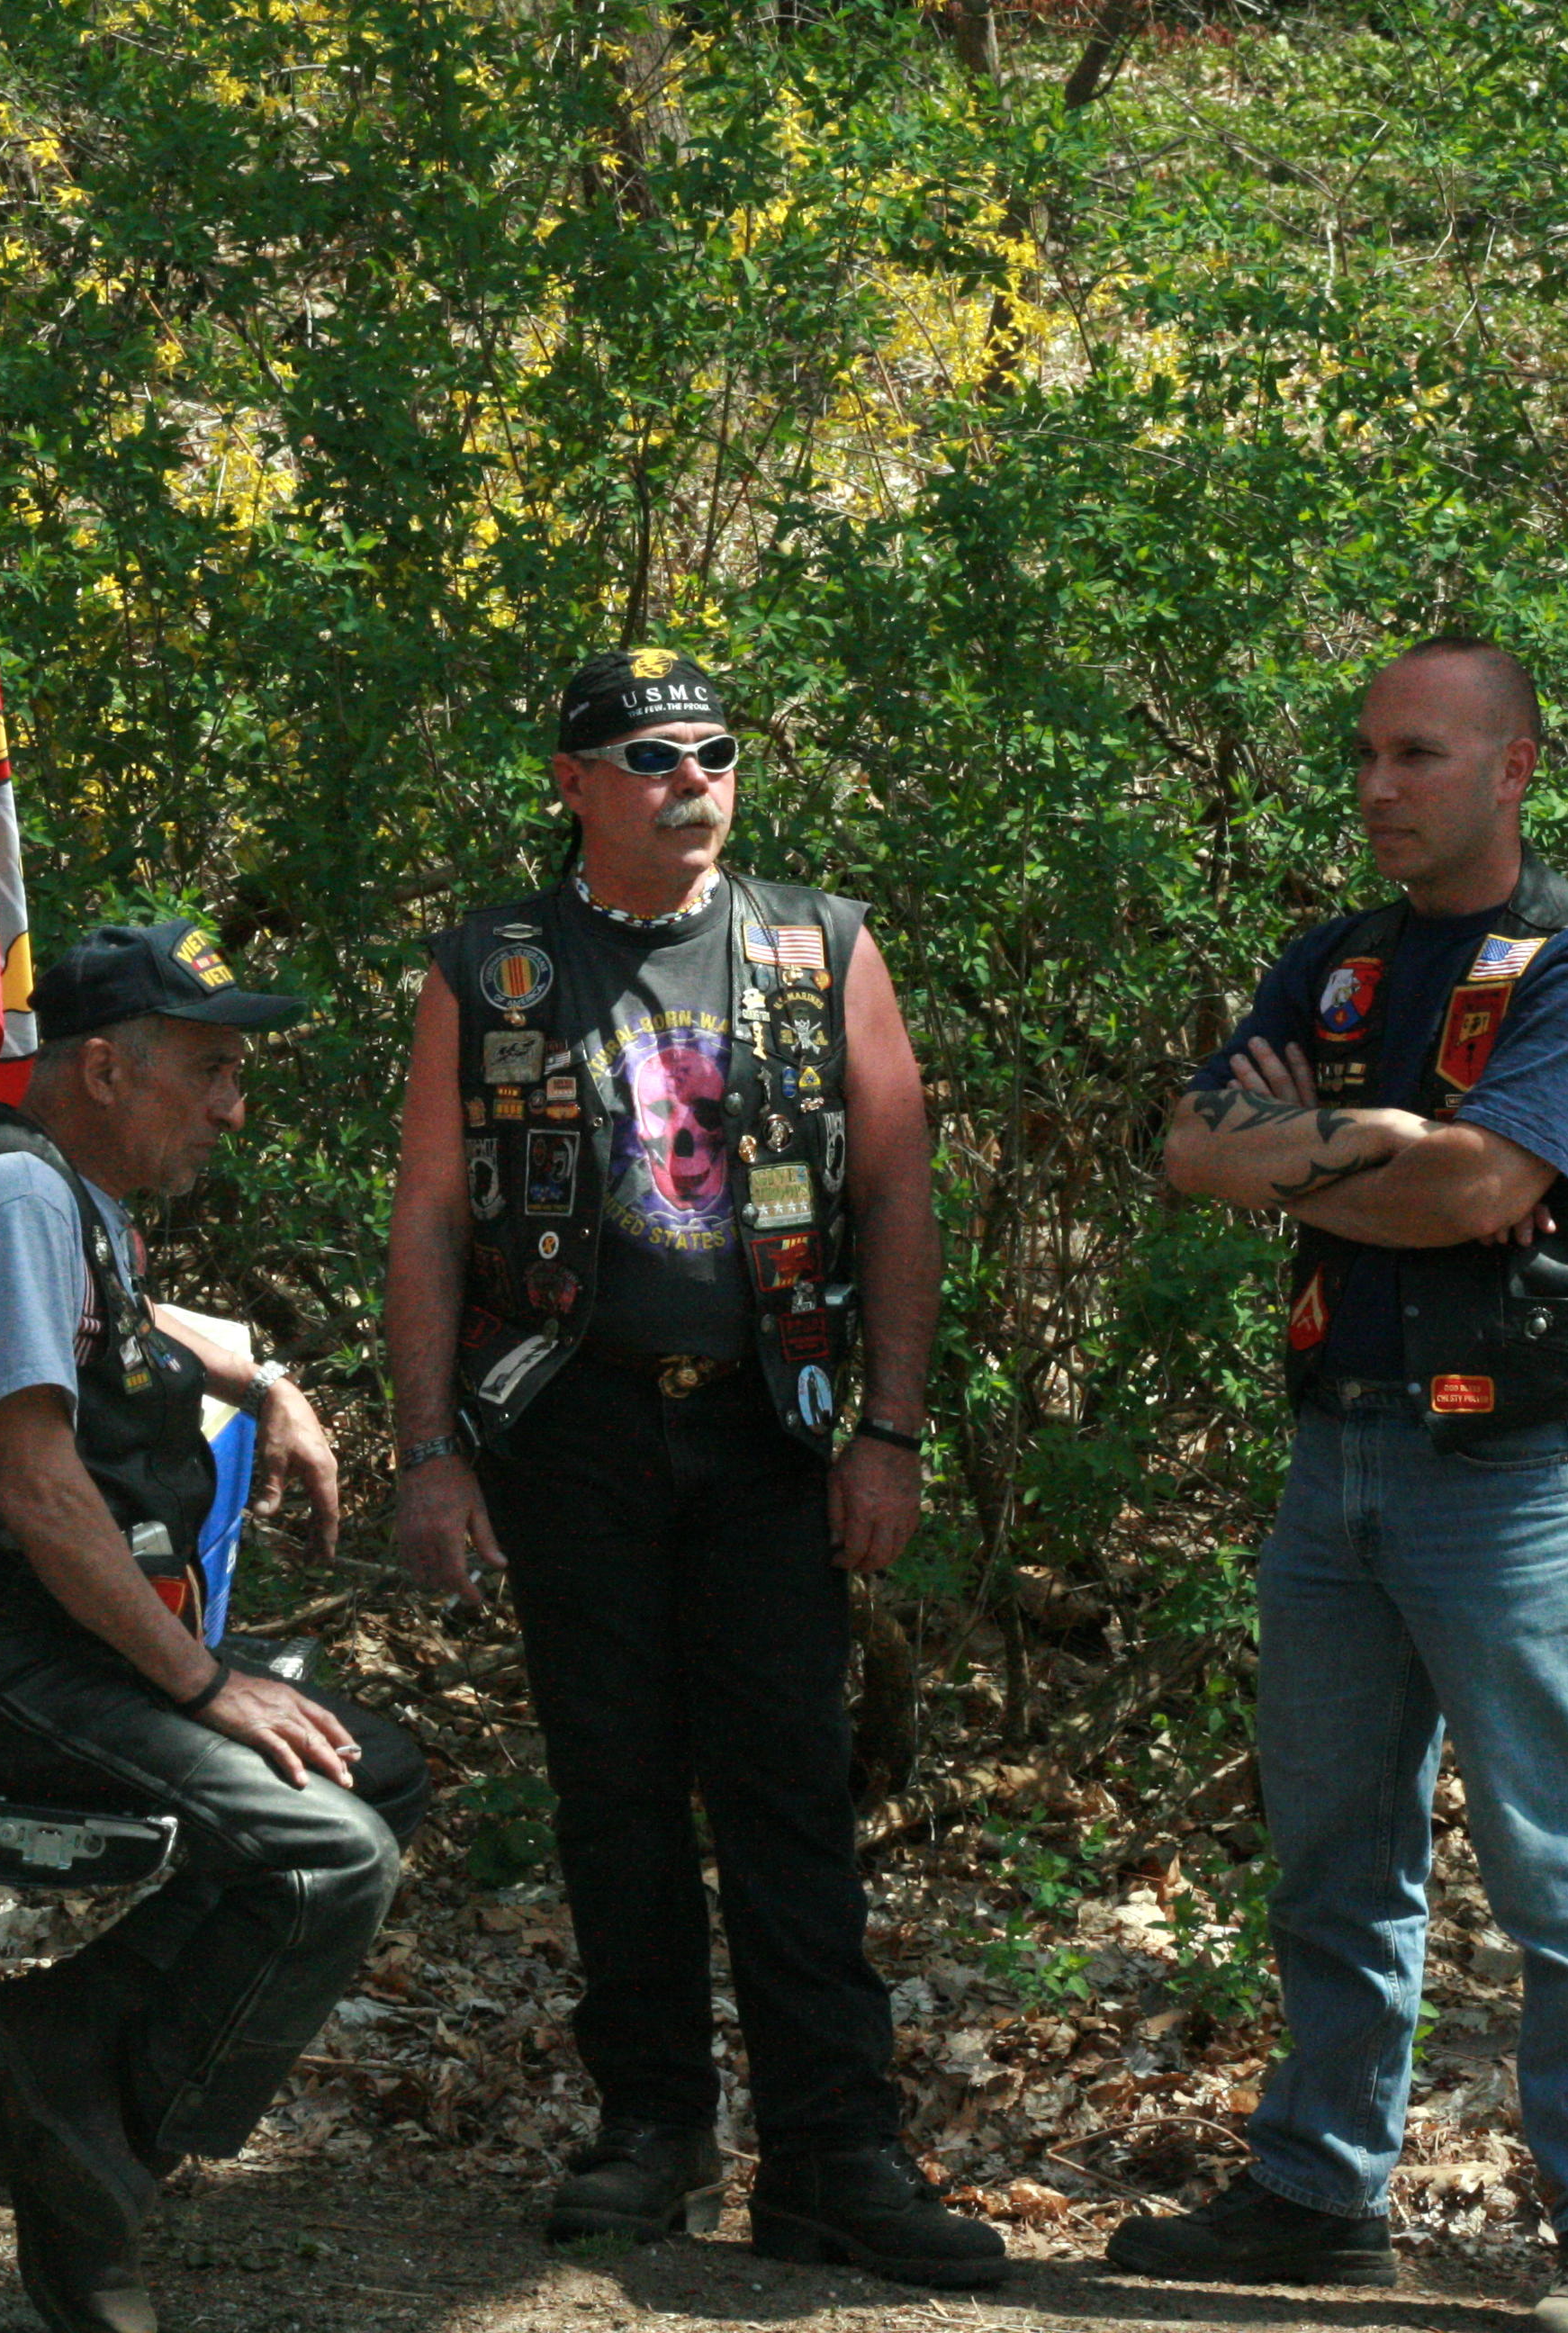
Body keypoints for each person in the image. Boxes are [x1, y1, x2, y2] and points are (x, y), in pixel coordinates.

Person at [383, 646, 1002, 2285]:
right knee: (615, 1789)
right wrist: (430, 1448)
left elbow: (897, 1190)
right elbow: (435, 1214)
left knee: (790, 1788)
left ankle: (835, 2155)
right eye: (653, 758)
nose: (693, 782)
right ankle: (649, 2130)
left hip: (767, 1422)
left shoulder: (819, 943)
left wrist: (891, 1426)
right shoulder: (493, 965)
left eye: (716, 753)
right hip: (569, 1421)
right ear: (577, 784)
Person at [1115, 637, 1568, 2333]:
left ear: (1512, 769)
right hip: (1334, 1451)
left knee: (1555, 1856)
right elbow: (1186, 1147)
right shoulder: (1337, 960)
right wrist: (1373, 1157)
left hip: (1510, 1466)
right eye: (1366, 754)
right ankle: (1317, 2190)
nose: (1377, 787)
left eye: (1418, 756)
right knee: (1334, 1851)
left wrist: (1303, 1156)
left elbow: (1487, 1187)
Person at [0, 920, 427, 2333]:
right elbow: (40, 1490)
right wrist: (204, 1681)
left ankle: (61, 2064)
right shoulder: (17, 1202)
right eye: (212, 1073)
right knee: (328, 1852)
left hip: (44, 1634)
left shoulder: (61, 1197)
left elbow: (133, 1321)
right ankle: (91, 2144)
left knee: (373, 1761)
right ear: (104, 1068)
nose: (233, 1107)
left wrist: (269, 1377)